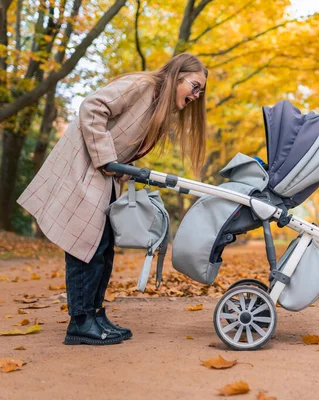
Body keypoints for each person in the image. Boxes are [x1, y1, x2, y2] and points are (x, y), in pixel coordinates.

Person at [17, 53, 208, 345]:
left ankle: (95, 314)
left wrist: (124, 170)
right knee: (87, 245)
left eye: (201, 91)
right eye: (195, 86)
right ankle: (80, 322)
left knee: (104, 247)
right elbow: (92, 107)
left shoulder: (157, 103)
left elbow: (122, 137)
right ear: (178, 75)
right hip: (84, 168)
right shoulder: (142, 85)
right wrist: (106, 158)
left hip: (102, 175)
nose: (197, 95)